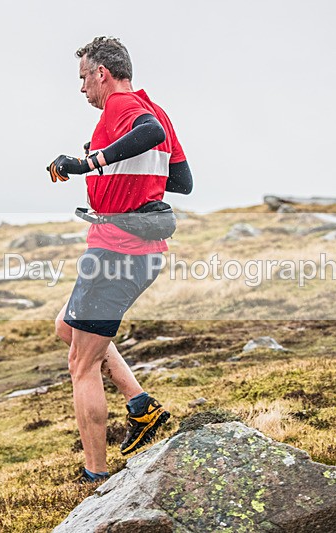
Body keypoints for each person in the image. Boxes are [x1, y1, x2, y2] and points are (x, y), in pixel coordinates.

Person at [47, 36, 193, 484]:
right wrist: (134, 190)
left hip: (115, 253)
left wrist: (92, 163)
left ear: (101, 73)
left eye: (83, 78)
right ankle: (141, 406)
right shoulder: (156, 108)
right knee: (67, 328)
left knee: (81, 364)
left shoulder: (123, 108)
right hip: (139, 252)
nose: (81, 89)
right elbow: (182, 181)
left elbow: (146, 132)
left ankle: (96, 476)